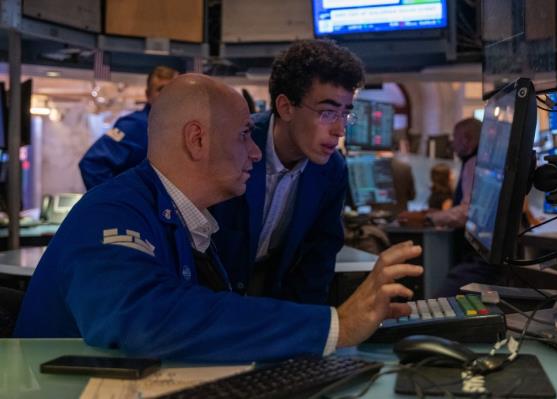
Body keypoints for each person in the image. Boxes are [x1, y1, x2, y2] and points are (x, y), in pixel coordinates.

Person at [14, 74, 423, 363]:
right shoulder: (112, 212)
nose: (257, 152)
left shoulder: (187, 219)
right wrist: (335, 325)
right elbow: (147, 319)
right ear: (197, 140)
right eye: (245, 134)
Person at [210, 40, 365, 304]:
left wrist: (308, 328)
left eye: (345, 115)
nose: (339, 130)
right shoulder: (233, 145)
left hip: (272, 294)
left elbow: (319, 255)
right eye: (327, 113)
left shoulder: (332, 169)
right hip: (209, 295)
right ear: (286, 107)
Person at [79, 65, 178, 190]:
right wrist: (117, 201)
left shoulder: (182, 128)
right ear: (148, 95)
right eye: (161, 89)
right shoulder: (134, 125)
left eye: (173, 89)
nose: (167, 95)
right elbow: (92, 164)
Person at [399, 118, 482, 228]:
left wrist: (428, 218)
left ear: (466, 139)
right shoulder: (474, 161)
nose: (452, 144)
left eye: (455, 137)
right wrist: (433, 213)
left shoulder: (473, 164)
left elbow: (467, 211)